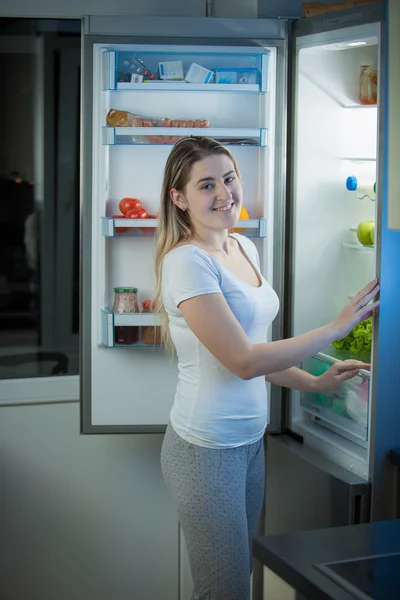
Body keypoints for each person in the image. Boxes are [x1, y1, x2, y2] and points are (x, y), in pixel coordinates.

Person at [154, 136, 379, 600]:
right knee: (226, 590)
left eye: (230, 179)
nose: (224, 194)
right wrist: (335, 329)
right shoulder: (186, 264)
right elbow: (242, 362)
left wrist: (313, 380)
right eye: (207, 185)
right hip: (205, 451)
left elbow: (259, 352)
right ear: (179, 198)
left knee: (240, 581)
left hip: (250, 445)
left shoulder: (243, 249)